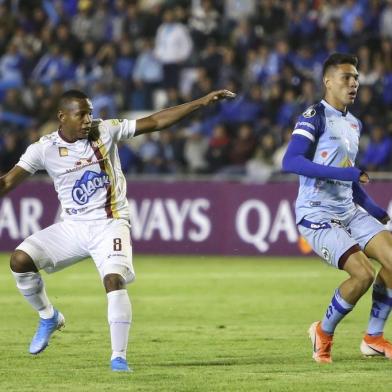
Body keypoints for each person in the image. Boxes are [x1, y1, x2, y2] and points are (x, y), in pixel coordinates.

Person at [1, 88, 235, 372]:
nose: (89, 119)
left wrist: (200, 102)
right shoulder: (43, 149)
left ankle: (118, 358)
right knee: (20, 260)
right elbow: (6, 183)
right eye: (82, 114)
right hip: (73, 227)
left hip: (110, 223)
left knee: (113, 279)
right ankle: (48, 316)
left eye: (90, 112)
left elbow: (155, 121)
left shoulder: (106, 130)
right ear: (63, 117)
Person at [282, 53, 392, 363]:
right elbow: (291, 161)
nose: (354, 83)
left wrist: (378, 213)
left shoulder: (354, 123)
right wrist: (347, 173)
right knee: (362, 275)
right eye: (346, 77)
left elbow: (350, 178)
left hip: (348, 210)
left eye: (356, 77)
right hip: (316, 212)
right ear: (328, 82)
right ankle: (323, 331)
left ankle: (373, 338)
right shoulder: (313, 116)